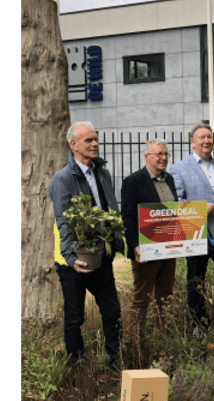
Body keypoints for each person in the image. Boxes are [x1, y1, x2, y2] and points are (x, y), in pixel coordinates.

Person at [48, 121, 124, 369]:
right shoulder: (62, 179)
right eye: (88, 140)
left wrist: (119, 244)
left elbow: (110, 210)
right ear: (73, 145)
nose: (95, 144)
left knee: (112, 311)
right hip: (73, 263)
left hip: (100, 257)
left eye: (95, 139)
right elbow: (64, 221)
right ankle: (77, 365)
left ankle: (115, 360)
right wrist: (71, 257)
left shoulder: (102, 173)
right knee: (75, 317)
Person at [169, 123, 214, 338]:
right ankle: (200, 326)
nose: (206, 141)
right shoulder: (179, 169)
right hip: (196, 233)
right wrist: (198, 208)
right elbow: (177, 202)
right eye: (201, 138)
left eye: (209, 137)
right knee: (196, 280)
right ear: (192, 142)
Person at [120, 139, 178, 363]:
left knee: (165, 295)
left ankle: (163, 336)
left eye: (165, 154)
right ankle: (137, 341)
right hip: (145, 250)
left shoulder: (169, 179)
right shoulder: (133, 182)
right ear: (147, 157)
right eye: (158, 154)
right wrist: (135, 245)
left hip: (168, 248)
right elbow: (128, 217)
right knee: (141, 297)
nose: (163, 157)